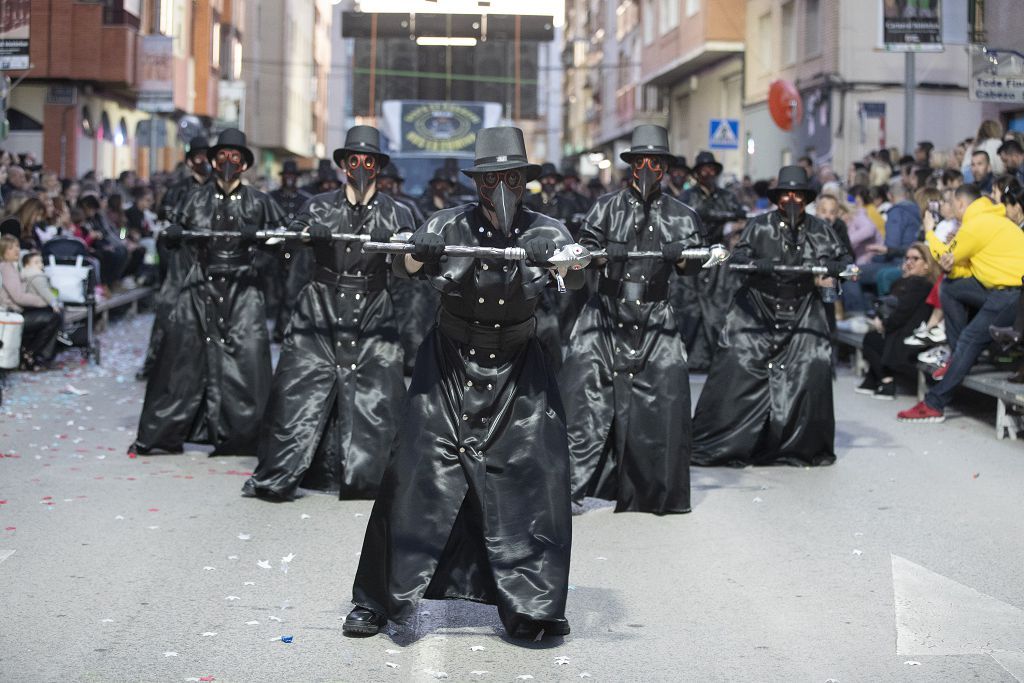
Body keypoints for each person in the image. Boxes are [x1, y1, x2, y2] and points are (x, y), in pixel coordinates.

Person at [344, 126, 582, 640]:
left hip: (518, 367)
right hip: (449, 362)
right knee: (413, 475)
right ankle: (377, 601)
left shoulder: (549, 229)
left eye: (512, 178)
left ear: (524, 181)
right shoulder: (447, 222)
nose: (503, 188)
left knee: (532, 479)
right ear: (478, 183)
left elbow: (577, 277)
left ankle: (532, 605)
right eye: (493, 178)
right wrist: (420, 247)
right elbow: (406, 265)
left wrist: (562, 264)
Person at [244, 126, 415, 501]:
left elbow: (410, 261)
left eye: (368, 160)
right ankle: (285, 469)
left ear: (379, 166)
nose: (361, 167)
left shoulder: (397, 211)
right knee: (299, 386)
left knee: (378, 393)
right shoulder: (318, 205)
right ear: (342, 165)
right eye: (353, 160)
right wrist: (306, 233)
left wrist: (416, 249)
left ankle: (369, 475)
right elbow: (286, 239)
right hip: (320, 307)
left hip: (373, 309)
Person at [559, 124, 705, 514]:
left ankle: (654, 490)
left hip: (656, 318)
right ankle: (568, 488)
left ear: (665, 167)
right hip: (605, 313)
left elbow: (695, 267)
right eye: (640, 161)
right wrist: (597, 254)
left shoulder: (683, 215)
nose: (646, 168)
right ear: (630, 165)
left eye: (654, 162)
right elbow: (581, 253)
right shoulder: (605, 207)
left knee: (667, 395)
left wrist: (682, 255)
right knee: (581, 398)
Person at [129, 128, 286, 455]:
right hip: (199, 285)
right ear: (213, 161)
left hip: (243, 290)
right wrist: (172, 238)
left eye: (235, 156)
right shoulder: (193, 198)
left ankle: (243, 435)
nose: (228, 162)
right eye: (222, 156)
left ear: (243, 163)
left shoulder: (261, 202)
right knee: (181, 357)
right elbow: (176, 240)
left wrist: (257, 247)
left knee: (248, 360)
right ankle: (164, 433)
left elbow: (281, 245)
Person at [691, 165, 851, 467]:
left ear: (805, 198)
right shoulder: (760, 225)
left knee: (814, 361)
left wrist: (832, 266)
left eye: (798, 194)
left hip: (802, 307)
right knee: (739, 359)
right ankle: (730, 440)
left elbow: (842, 259)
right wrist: (757, 263)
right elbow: (739, 256)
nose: (792, 200)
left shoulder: (819, 229)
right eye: (786, 194)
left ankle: (798, 443)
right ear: (778, 198)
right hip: (758, 308)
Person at [898, 184, 1024, 422]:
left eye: (949, 203)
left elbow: (944, 261)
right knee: (949, 288)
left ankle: (934, 404)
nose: (948, 208)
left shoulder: (975, 226)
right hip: (1005, 289)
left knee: (969, 338)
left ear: (961, 204)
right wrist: (955, 250)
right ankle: (959, 357)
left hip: (1012, 296)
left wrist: (929, 233)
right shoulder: (990, 219)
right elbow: (956, 272)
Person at [139, 137, 211, 381]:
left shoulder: (217, 189)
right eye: (199, 157)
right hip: (180, 259)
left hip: (210, 259)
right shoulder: (177, 190)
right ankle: (153, 363)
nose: (205, 161)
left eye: (207, 156)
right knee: (168, 310)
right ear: (191, 161)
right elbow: (165, 227)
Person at [675, 150, 747, 370]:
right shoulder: (687, 197)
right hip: (693, 257)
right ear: (696, 173)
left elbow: (742, 219)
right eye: (703, 170)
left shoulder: (727, 196)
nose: (708, 173)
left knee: (718, 307)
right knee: (688, 307)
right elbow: (680, 221)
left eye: (711, 169)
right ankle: (686, 357)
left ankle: (718, 358)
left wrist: (731, 229)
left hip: (718, 258)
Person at [855, 243, 939, 399]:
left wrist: (883, 325)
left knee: (871, 339)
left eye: (915, 259)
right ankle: (874, 380)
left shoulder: (921, 284)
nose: (909, 262)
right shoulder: (910, 282)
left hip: (911, 340)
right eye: (907, 258)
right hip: (902, 334)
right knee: (873, 337)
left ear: (927, 265)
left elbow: (901, 313)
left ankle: (886, 381)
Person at [268, 160, 313, 343]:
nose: (289, 180)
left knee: (291, 290)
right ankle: (277, 326)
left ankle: (285, 328)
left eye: (292, 177)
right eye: (287, 176)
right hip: (274, 249)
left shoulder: (304, 199)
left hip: (296, 251)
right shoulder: (272, 198)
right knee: (274, 290)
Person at [0, 235, 60, 370]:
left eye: (17, 246)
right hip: (12, 315)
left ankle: (33, 354)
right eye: (11, 248)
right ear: (3, 251)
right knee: (53, 317)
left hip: (17, 312)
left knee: (53, 315)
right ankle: (33, 354)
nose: (16, 250)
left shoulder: (12, 267)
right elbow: (18, 297)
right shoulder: (6, 268)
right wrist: (45, 301)